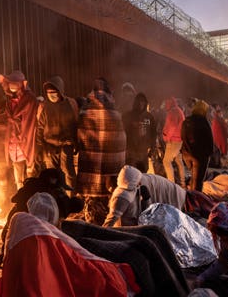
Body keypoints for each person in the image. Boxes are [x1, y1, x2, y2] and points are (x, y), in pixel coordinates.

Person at [76, 78, 126, 225]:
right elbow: (121, 138)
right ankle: (107, 224)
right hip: (109, 169)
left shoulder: (86, 110)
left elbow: (81, 134)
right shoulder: (114, 112)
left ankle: (92, 222)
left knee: (92, 202)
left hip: (91, 165)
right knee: (108, 199)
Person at [103, 165, 215, 227]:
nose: (139, 183)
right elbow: (112, 219)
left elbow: (146, 211)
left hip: (184, 198)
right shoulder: (124, 195)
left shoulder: (138, 184)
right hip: (183, 199)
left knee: (212, 211)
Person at [36, 76, 79, 189]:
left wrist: (76, 142)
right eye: (48, 92)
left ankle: (71, 199)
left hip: (66, 145)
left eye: (54, 92)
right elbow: (40, 128)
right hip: (49, 146)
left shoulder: (70, 104)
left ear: (60, 91)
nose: (51, 94)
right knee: (52, 175)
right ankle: (56, 199)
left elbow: (75, 124)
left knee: (68, 171)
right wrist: (39, 148)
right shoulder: (45, 107)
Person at [0, 71, 39, 190]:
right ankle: (21, 199)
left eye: (15, 83)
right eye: (10, 83)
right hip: (13, 142)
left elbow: (31, 121)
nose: (12, 86)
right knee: (18, 179)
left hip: (26, 140)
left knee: (30, 174)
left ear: (22, 84)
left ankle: (32, 198)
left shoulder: (30, 100)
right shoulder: (9, 100)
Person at [181, 100, 214, 191]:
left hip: (186, 154)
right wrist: (209, 153)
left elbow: (182, 136)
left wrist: (186, 151)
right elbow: (209, 139)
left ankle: (191, 195)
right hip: (199, 156)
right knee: (198, 182)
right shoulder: (203, 122)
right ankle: (195, 200)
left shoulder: (186, 120)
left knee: (193, 177)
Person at [123, 93, 156, 173]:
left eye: (143, 102)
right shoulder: (128, 115)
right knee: (131, 173)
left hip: (143, 151)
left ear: (145, 103)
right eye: (139, 102)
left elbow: (153, 133)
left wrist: (152, 148)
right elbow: (123, 132)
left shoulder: (149, 117)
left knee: (143, 172)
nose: (141, 104)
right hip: (131, 151)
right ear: (135, 103)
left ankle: (142, 185)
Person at [161, 97, 185, 187]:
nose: (165, 106)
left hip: (173, 140)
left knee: (166, 161)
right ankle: (182, 183)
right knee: (179, 160)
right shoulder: (179, 110)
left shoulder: (173, 112)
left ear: (169, 103)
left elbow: (172, 126)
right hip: (179, 140)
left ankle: (171, 184)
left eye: (166, 104)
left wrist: (166, 137)